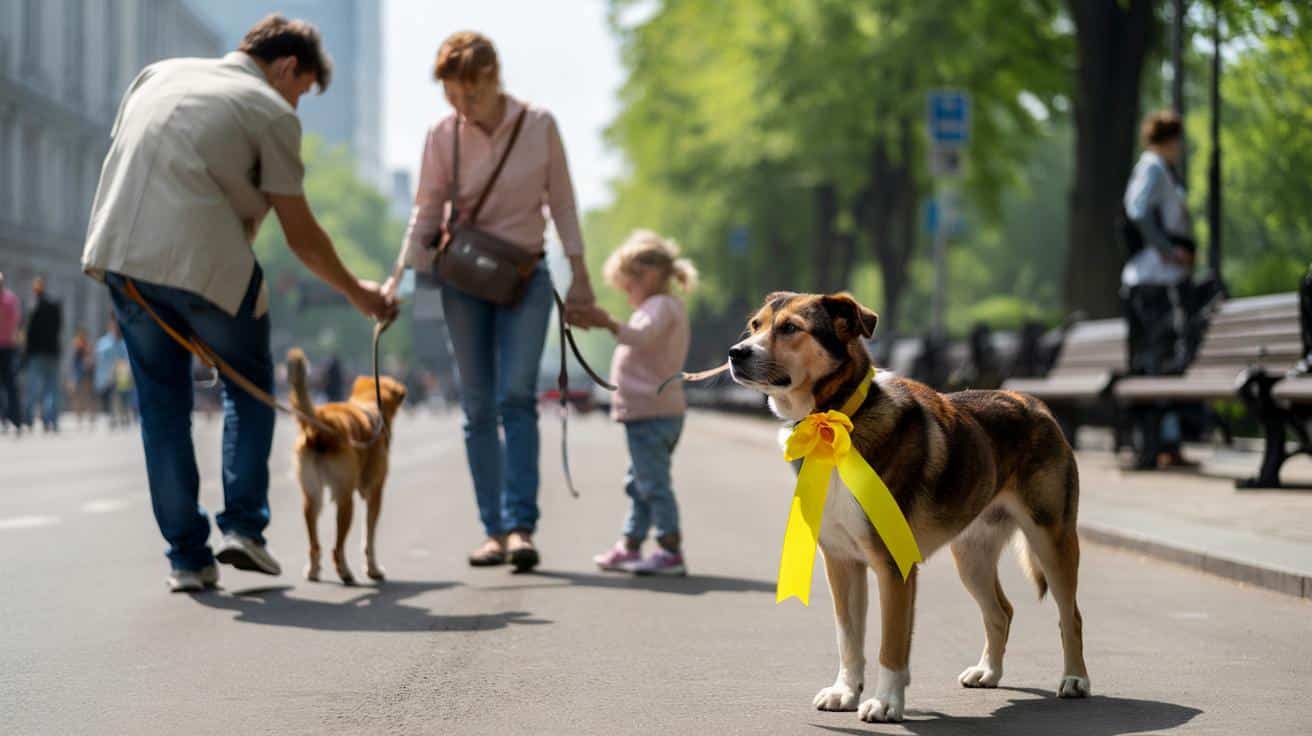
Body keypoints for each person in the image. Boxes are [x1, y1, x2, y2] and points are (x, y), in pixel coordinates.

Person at [81, 15, 396, 593]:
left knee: (161, 409)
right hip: (203, 263)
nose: (296, 106)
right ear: (285, 67)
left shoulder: (157, 74)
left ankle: (186, 559)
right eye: (300, 91)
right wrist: (362, 295)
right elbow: (302, 235)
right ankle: (244, 527)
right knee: (246, 383)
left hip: (121, 256)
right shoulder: (270, 110)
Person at [389, 31, 598, 571]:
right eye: (453, 98)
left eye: (472, 95)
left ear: (494, 78)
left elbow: (564, 203)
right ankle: (494, 530)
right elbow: (426, 210)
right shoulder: (443, 134)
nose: (463, 107)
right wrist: (398, 280)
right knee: (478, 404)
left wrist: (580, 276)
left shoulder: (539, 126)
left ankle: (522, 526)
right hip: (462, 283)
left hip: (525, 279)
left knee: (515, 396)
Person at [586, 231, 696, 576]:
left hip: (651, 412)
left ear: (646, 276)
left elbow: (640, 337)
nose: (627, 296)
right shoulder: (663, 307)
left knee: (652, 484)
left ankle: (669, 548)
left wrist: (608, 323)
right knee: (641, 483)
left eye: (627, 286)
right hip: (654, 412)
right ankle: (630, 544)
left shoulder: (659, 307)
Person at [1121, 110, 1194, 469]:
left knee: (1160, 360)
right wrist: (1167, 249)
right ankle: (1156, 442)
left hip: (1153, 281)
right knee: (1158, 361)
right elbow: (1137, 211)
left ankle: (1165, 441)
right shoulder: (1153, 166)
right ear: (1171, 139)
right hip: (1154, 281)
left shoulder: (1156, 168)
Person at [22, 276, 63, 433]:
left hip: (37, 353)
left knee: (32, 388)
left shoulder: (33, 306)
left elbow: (29, 331)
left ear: (36, 289)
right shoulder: (55, 304)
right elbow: (59, 327)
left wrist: (26, 351)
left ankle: (30, 419)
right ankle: (50, 420)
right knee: (51, 389)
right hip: (53, 352)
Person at [94, 318, 130, 428]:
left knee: (123, 396)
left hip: (122, 373)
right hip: (109, 374)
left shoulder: (123, 342)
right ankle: (113, 418)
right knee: (112, 396)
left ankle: (124, 416)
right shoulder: (105, 342)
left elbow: (127, 358)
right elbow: (99, 358)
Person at [0, 272, 22, 435]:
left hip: (7, 347)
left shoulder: (10, 300)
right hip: (8, 347)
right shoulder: (11, 299)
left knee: (10, 386)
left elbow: (16, 322)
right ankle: (8, 418)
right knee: (10, 385)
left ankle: (13, 419)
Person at [68, 328, 98, 427]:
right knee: (78, 397)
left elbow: (91, 361)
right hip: (79, 375)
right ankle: (79, 417)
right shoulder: (76, 348)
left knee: (87, 396)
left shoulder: (87, 347)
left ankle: (90, 416)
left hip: (86, 375)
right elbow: (72, 364)